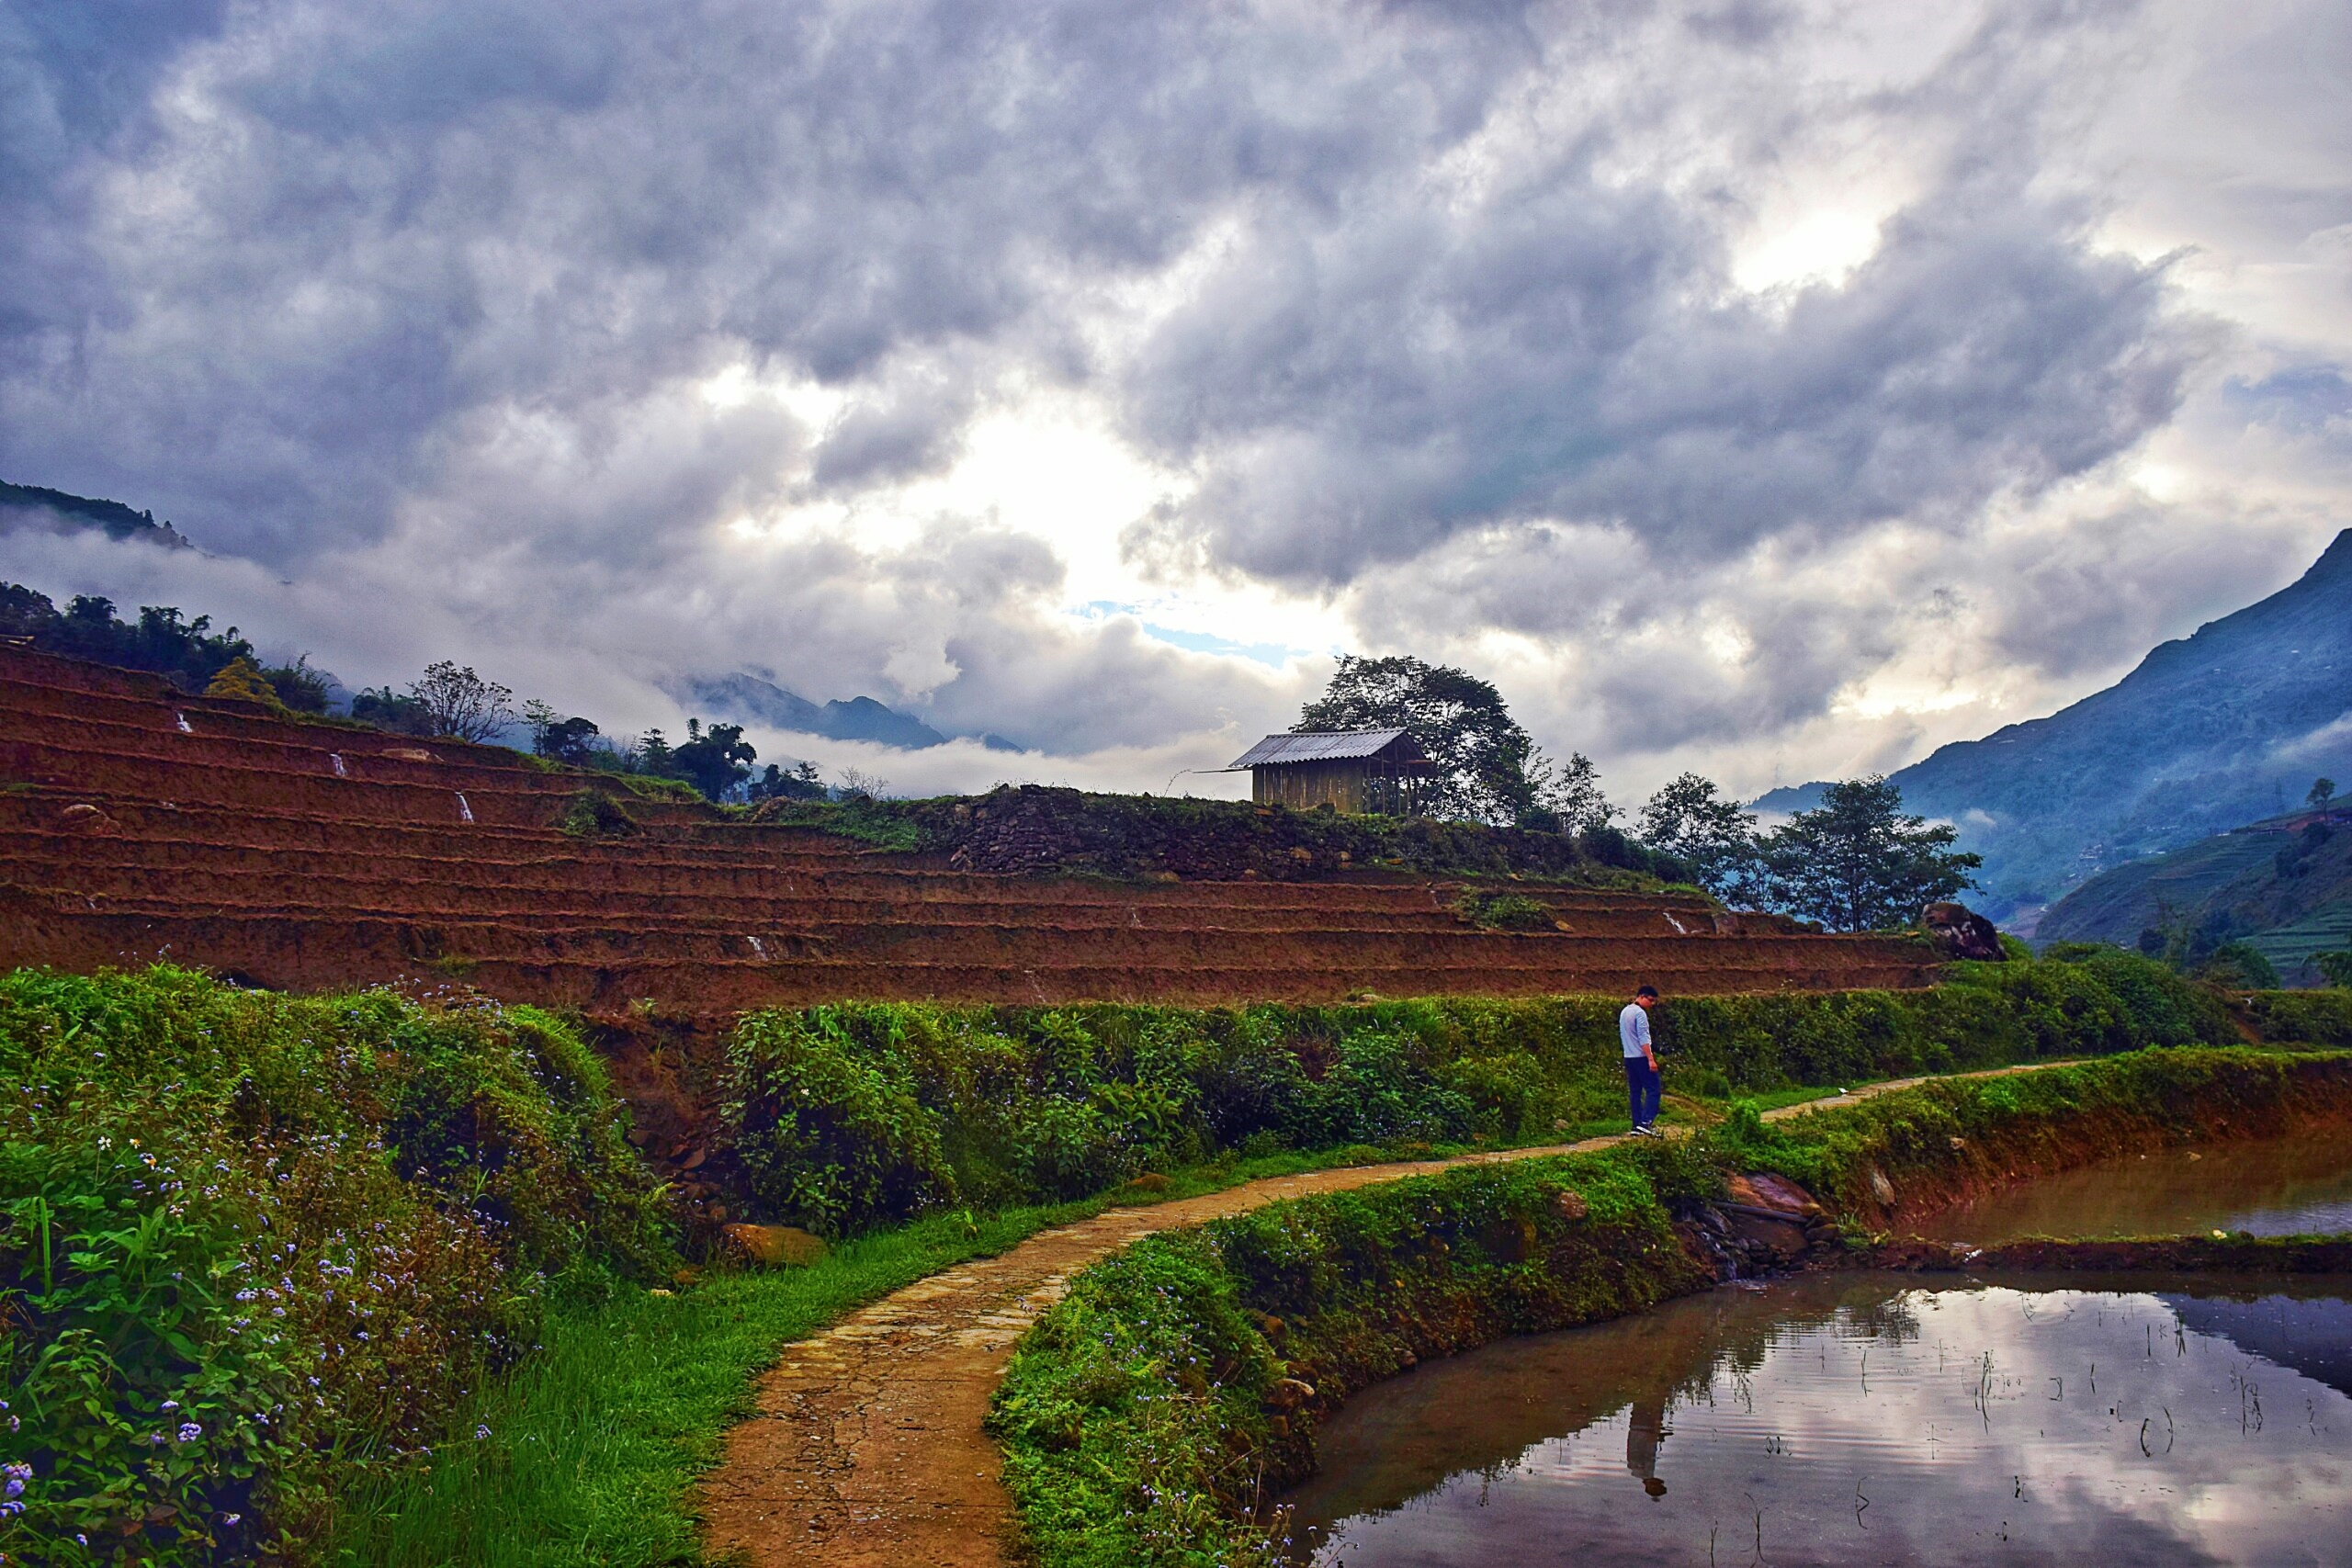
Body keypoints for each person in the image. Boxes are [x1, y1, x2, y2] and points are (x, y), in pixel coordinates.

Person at [1620, 984, 1661, 1137]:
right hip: (1641, 1057)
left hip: (1629, 1057)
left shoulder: (1625, 1011)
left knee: (1635, 1091)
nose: (1652, 1004)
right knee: (1654, 1089)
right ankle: (1646, 1122)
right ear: (1641, 996)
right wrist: (1651, 1058)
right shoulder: (1640, 1013)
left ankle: (1636, 1125)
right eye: (1650, 1000)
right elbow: (1644, 1038)